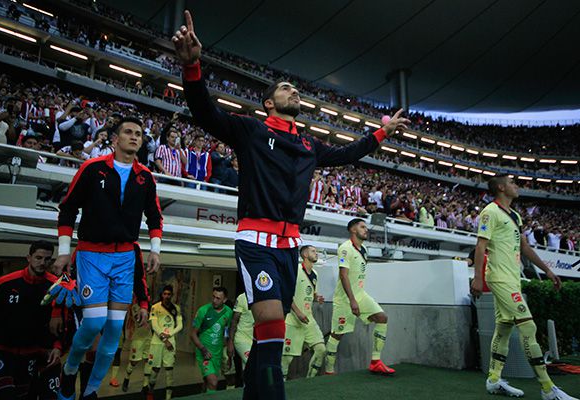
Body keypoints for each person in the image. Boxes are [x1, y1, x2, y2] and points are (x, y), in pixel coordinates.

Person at [172, 11, 409, 399]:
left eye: (295, 90)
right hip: (255, 241)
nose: (293, 92)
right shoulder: (252, 129)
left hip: (289, 248)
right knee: (271, 325)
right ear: (268, 103)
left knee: (271, 336)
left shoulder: (308, 144)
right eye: (285, 89)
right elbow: (205, 113)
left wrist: (382, 132)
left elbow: (348, 153)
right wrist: (193, 66)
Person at [54, 116, 163, 400]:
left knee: (114, 331)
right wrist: (64, 252)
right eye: (128, 132)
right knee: (92, 322)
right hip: (91, 254)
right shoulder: (92, 169)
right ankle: (70, 368)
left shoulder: (146, 177)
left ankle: (90, 390)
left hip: (125, 257)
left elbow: (154, 216)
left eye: (138, 133)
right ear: (114, 139)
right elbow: (67, 209)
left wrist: (155, 250)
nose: (134, 137)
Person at [470, 175, 576, 400]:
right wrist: (477, 278)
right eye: (512, 183)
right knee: (528, 328)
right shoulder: (490, 211)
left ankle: (494, 379)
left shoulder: (515, 215)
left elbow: (525, 248)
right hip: (499, 278)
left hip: (512, 279)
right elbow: (480, 247)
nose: (516, 186)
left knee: (504, 328)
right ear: (501, 187)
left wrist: (547, 271)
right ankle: (548, 389)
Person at [0, 241, 62, 399]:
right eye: (38, 258)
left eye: (47, 259)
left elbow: (60, 323)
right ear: (28, 258)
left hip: (30, 354)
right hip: (0, 352)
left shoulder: (55, 287)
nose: (42, 263)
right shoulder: (5, 283)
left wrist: (57, 346)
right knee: (4, 395)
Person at [325, 218, 395, 375]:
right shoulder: (345, 248)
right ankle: (329, 370)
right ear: (353, 230)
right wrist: (352, 300)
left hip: (361, 295)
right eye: (362, 227)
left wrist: (357, 299)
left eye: (366, 227)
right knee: (337, 334)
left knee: (382, 318)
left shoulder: (364, 249)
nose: (366, 230)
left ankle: (376, 361)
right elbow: (344, 276)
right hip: (345, 299)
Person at [281, 245, 326, 379]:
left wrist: (316, 297)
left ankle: (310, 380)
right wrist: (298, 312)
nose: (316, 253)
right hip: (292, 320)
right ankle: (280, 385)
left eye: (316, 251)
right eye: (313, 251)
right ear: (305, 255)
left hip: (308, 319)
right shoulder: (295, 270)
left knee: (321, 350)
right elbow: (286, 294)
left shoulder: (315, 274)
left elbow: (311, 292)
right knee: (286, 359)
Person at [190, 287, 233, 393]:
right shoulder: (203, 310)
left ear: (224, 299)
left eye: (218, 298)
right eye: (213, 297)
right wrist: (203, 350)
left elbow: (227, 331)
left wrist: (228, 350)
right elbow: (192, 334)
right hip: (204, 353)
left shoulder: (228, 312)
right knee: (213, 382)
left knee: (207, 382)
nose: (214, 300)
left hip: (217, 353)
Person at [145, 285, 182, 400]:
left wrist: (169, 335)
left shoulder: (176, 308)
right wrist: (165, 339)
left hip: (171, 342)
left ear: (172, 295)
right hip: (157, 342)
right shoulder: (155, 307)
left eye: (168, 294)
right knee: (155, 369)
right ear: (162, 295)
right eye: (164, 294)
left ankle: (168, 396)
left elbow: (180, 325)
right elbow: (154, 326)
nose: (166, 296)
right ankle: (150, 391)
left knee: (169, 369)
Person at [121, 300, 153, 392]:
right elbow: (138, 319)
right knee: (134, 361)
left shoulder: (151, 306)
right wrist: (146, 321)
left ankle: (145, 385)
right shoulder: (135, 306)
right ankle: (126, 379)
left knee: (148, 360)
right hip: (138, 338)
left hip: (149, 337)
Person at [228, 293, 255, 370]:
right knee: (252, 364)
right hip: (242, 338)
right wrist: (230, 342)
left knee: (247, 369)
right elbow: (234, 321)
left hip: (256, 340)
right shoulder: (242, 297)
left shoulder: (264, 295)